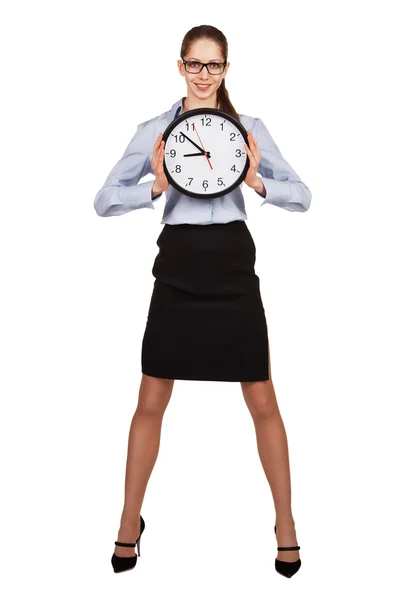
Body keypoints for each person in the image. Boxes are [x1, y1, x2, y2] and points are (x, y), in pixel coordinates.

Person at [94, 24, 311, 578]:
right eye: (196, 64)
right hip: (179, 269)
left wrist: (260, 181)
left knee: (263, 399)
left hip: (234, 267)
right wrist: (156, 187)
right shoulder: (155, 131)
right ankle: (127, 522)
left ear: (226, 69)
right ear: (181, 66)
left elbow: (303, 196)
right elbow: (103, 200)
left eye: (214, 65)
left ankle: (285, 524)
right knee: (150, 400)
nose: (204, 74)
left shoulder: (248, 129)